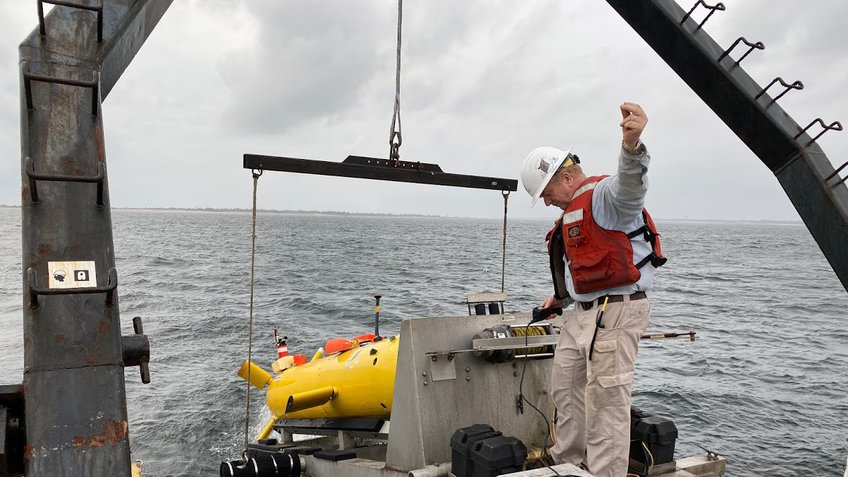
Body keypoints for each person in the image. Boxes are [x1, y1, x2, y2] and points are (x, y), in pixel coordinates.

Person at [519, 102, 666, 477]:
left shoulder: (605, 197)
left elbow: (631, 188)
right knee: (565, 388)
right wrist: (561, 298)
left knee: (606, 400)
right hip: (583, 313)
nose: (547, 202)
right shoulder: (573, 214)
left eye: (547, 193)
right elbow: (589, 268)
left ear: (566, 178)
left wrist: (632, 149)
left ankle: (604, 473)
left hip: (617, 311)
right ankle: (567, 459)